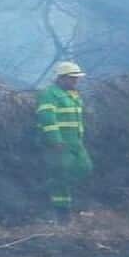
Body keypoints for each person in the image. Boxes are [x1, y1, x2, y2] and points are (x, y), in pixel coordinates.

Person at [36, 61, 93, 224]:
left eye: (77, 78)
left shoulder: (73, 95)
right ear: (61, 78)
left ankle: (60, 198)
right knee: (60, 177)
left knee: (85, 167)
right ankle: (62, 213)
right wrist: (55, 140)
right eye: (72, 78)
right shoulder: (49, 94)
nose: (76, 81)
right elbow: (47, 118)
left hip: (75, 143)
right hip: (59, 145)